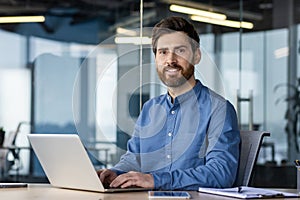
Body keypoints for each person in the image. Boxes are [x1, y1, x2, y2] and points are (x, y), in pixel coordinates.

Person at [97, 16, 240, 191]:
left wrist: (155, 180)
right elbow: (134, 159)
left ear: (196, 55)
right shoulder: (150, 109)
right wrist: (116, 173)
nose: (170, 60)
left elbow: (220, 173)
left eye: (180, 51)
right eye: (163, 52)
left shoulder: (219, 109)